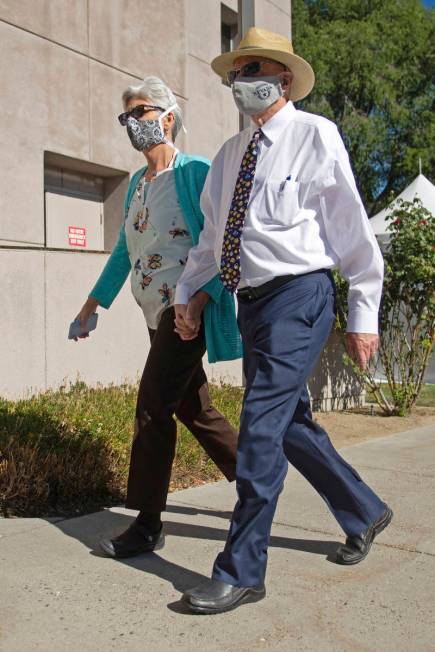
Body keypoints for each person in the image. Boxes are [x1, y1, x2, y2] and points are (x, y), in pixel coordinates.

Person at [173, 28, 393, 614]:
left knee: (262, 428)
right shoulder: (226, 158)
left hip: (302, 295)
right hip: (252, 305)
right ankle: (366, 510)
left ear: (284, 80)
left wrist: (362, 314)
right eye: (238, 72)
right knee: (289, 422)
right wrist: (189, 293)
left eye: (256, 70)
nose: (244, 81)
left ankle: (242, 569)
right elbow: (212, 242)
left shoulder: (313, 135)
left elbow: (351, 229)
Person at [74, 76, 242, 558]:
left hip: (184, 311)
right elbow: (127, 247)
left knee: (152, 407)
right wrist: (94, 301)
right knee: (195, 408)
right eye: (126, 116)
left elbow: (219, 242)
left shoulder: (195, 173)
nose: (133, 123)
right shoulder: (135, 185)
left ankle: (147, 524)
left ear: (168, 117)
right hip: (154, 312)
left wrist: (202, 299)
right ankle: (256, 479)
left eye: (141, 112)